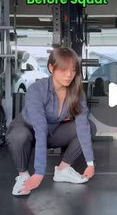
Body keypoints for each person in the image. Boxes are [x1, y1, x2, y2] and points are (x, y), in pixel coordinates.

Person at [6, 47, 96, 196]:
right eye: (63, 70)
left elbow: (82, 124)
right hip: (28, 129)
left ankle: (63, 170)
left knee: (89, 127)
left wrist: (90, 163)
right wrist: (39, 172)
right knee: (18, 136)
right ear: (51, 68)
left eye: (73, 70)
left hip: (52, 131)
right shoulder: (36, 90)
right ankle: (23, 176)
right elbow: (40, 128)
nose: (69, 75)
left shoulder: (76, 92)